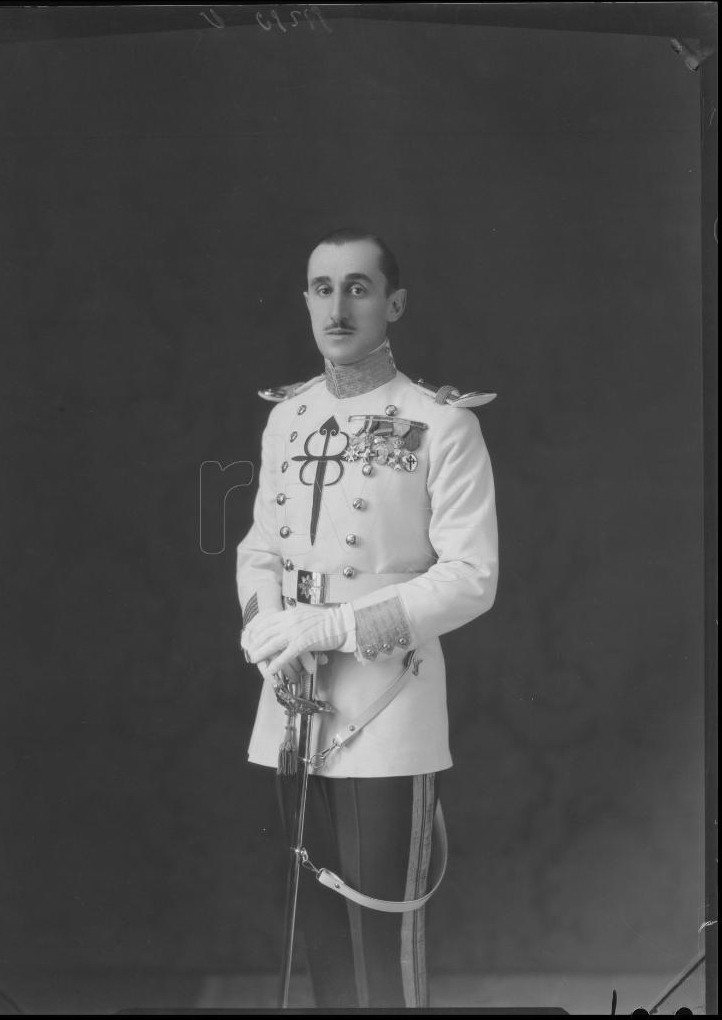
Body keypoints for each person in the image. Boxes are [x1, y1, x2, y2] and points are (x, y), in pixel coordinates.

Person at [236, 228, 499, 1008]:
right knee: (319, 935)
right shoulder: (288, 419)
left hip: (386, 705)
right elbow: (260, 547)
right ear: (307, 302)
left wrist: (328, 628)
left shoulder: (440, 424)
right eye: (322, 288)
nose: (338, 306)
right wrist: (266, 629)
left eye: (358, 287)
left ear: (395, 302)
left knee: (382, 940)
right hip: (292, 704)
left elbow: (471, 579)